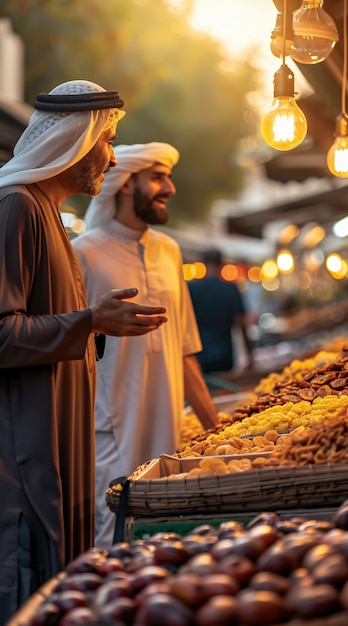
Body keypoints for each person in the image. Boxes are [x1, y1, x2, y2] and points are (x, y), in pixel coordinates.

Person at [0, 80, 169, 623]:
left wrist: (94, 326)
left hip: (60, 444)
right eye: (107, 140)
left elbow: (51, 325)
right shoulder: (17, 208)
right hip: (27, 457)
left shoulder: (47, 213)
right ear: (73, 140)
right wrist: (90, 320)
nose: (113, 156)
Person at [73, 142, 219, 550]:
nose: (169, 187)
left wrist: (216, 431)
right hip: (107, 432)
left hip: (170, 434)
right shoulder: (84, 253)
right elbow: (65, 341)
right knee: (112, 541)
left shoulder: (170, 251)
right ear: (123, 183)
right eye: (157, 177)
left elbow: (186, 348)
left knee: (166, 541)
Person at [188, 248, 254, 374]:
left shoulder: (191, 288)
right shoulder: (230, 289)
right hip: (225, 354)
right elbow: (241, 324)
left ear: (203, 263)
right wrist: (250, 356)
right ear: (221, 264)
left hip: (197, 354)